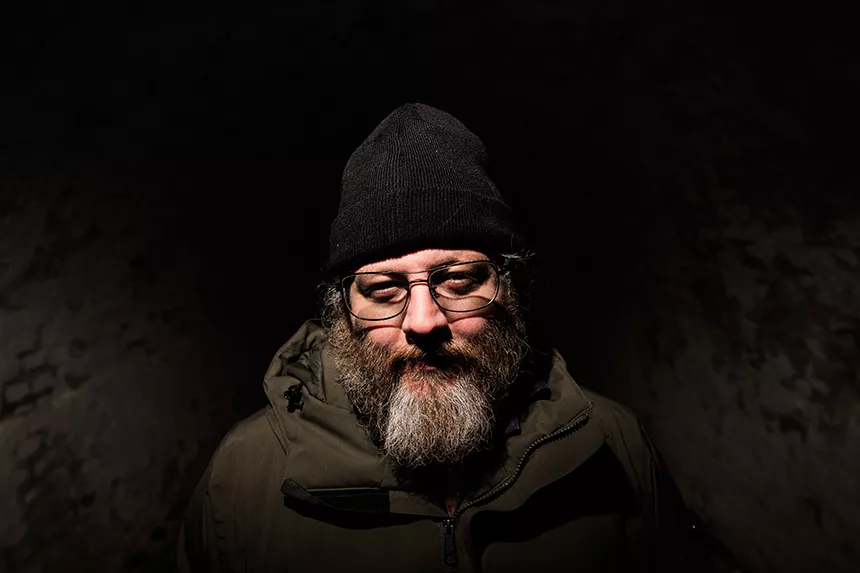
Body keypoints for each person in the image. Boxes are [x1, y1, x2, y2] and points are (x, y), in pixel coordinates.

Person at [177, 103, 712, 572]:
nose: (423, 321)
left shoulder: (615, 448)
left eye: (457, 282)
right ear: (341, 310)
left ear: (509, 289)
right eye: (383, 290)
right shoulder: (244, 479)